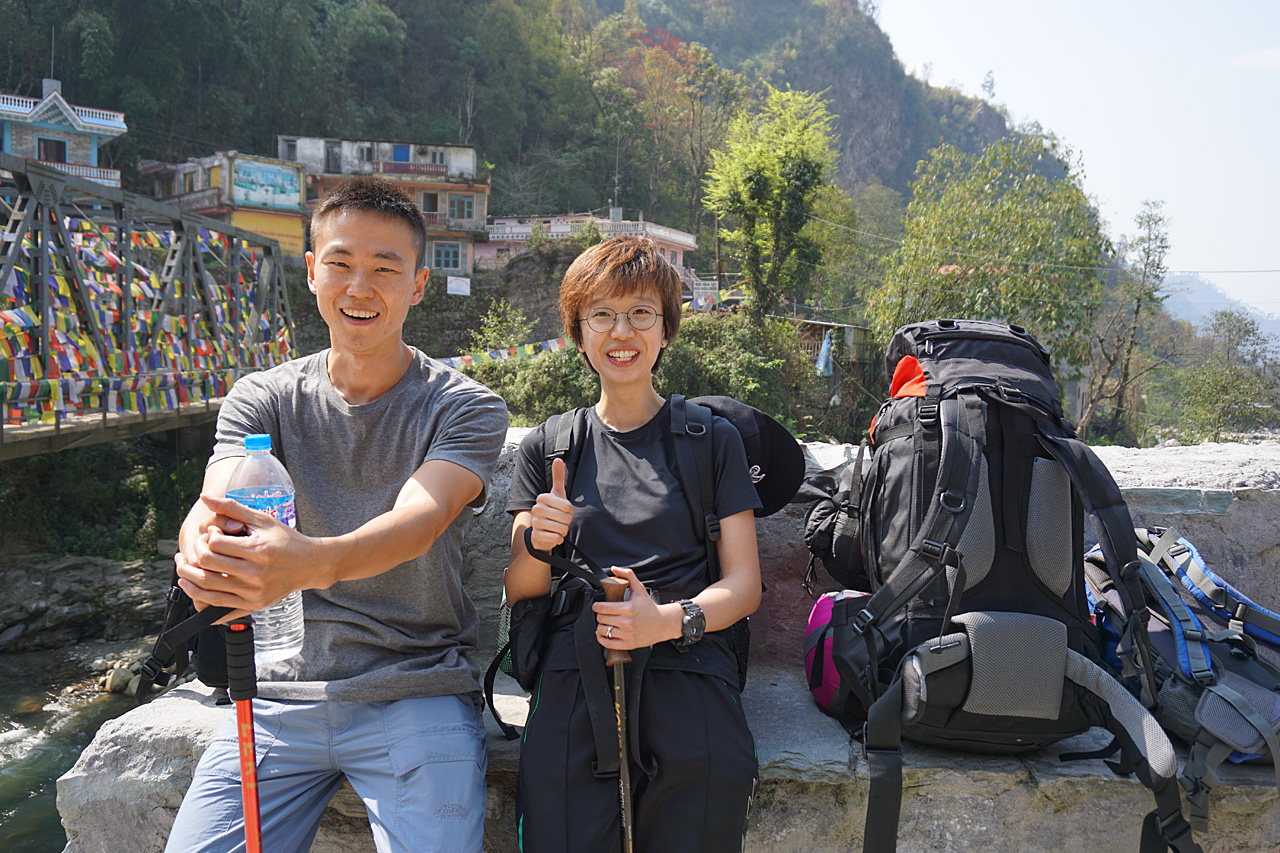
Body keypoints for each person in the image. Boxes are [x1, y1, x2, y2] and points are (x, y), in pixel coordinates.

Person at [164, 176, 508, 853]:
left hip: (415, 687)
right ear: (313, 271)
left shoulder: (463, 405)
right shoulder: (262, 397)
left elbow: (423, 516)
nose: (360, 287)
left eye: (385, 269)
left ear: (416, 286)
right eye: (342, 264)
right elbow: (215, 500)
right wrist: (200, 552)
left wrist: (311, 562)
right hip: (274, 689)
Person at [504, 235, 762, 852]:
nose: (623, 332)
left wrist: (665, 621)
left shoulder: (709, 440)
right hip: (577, 664)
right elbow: (520, 589)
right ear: (578, 333)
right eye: (602, 315)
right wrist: (539, 544)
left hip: (689, 656)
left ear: (666, 329)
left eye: (641, 313)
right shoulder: (550, 447)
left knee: (699, 814)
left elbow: (743, 584)